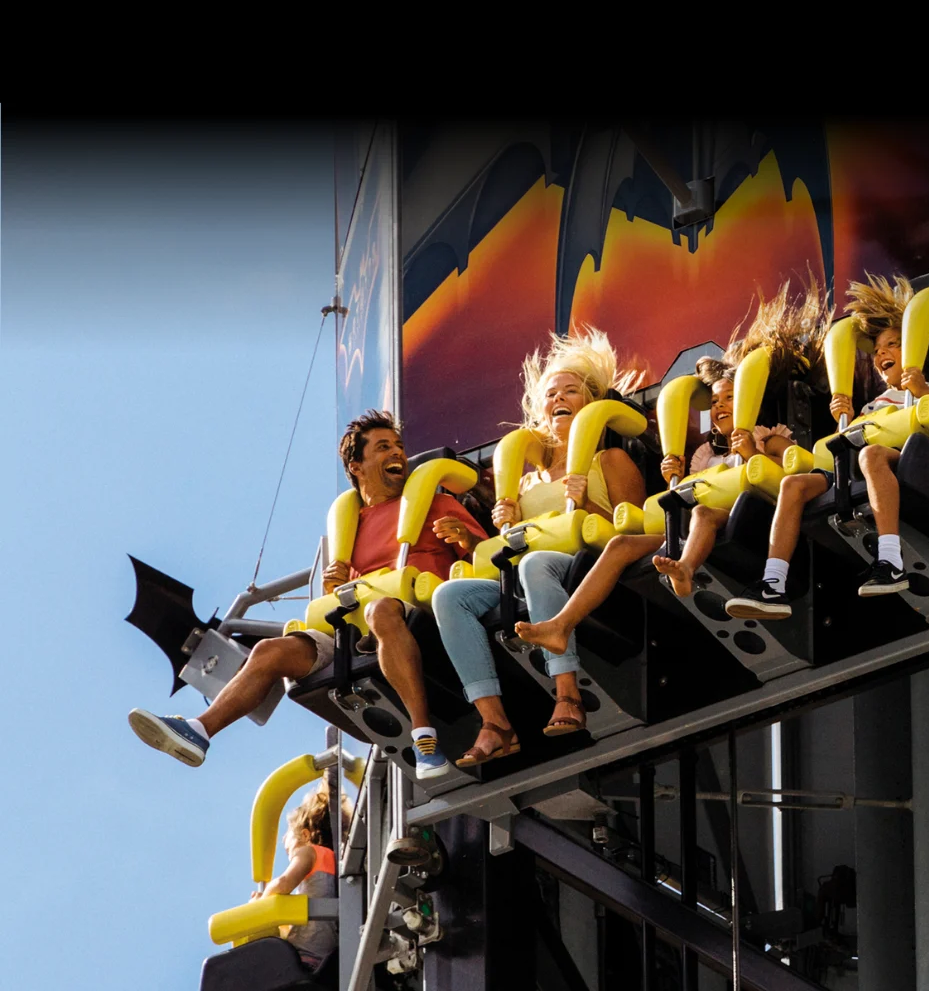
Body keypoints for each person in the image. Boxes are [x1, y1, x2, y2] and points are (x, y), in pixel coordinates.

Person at [130, 411, 482, 779]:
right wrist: (336, 583)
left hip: (422, 618)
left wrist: (467, 539)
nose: (397, 453)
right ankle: (200, 730)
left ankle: (425, 739)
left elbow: (489, 569)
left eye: (398, 446)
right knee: (272, 650)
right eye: (383, 447)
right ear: (357, 466)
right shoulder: (350, 529)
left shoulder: (438, 505)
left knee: (381, 610)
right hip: (359, 632)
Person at [517, 279, 832, 654]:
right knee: (663, 526)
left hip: (750, 513)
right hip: (701, 522)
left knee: (688, 517)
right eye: (714, 402)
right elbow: (691, 492)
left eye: (731, 397)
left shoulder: (766, 435)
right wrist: (675, 476)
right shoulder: (705, 455)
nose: (720, 407)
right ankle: (564, 622)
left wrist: (752, 454)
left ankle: (694, 568)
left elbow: (789, 471)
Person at [430, 329, 646, 766]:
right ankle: (494, 723)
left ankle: (568, 693)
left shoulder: (611, 461)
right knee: (449, 596)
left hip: (585, 568)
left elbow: (633, 529)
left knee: (537, 566)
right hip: (530, 576)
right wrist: (474, 539)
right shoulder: (526, 482)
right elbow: (515, 547)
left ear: (592, 405)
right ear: (541, 410)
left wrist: (584, 501)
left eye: (572, 391)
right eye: (552, 393)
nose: (560, 398)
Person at [726, 276, 929, 620]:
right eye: (878, 348)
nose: (882, 352)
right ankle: (773, 583)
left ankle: (890, 560)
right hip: (866, 472)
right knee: (794, 485)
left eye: (893, 344)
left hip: (926, 470)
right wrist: (846, 417)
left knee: (872, 454)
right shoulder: (876, 404)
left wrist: (926, 391)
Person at [256, 783, 348, 972]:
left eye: (288, 839)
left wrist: (260, 904)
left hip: (302, 959)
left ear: (305, 835)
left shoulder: (310, 852)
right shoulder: (335, 861)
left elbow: (283, 883)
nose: (284, 843)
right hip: (327, 961)